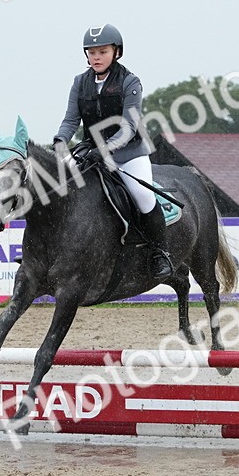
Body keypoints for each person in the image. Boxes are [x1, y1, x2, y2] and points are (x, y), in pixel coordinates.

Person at [52, 23, 173, 282]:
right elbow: (71, 119)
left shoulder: (130, 82)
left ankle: (160, 253)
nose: (96, 57)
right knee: (60, 189)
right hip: (91, 153)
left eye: (103, 52)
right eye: (91, 52)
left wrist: (105, 149)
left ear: (116, 52)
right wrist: (60, 140)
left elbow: (128, 126)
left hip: (129, 153)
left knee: (143, 195)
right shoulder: (80, 82)